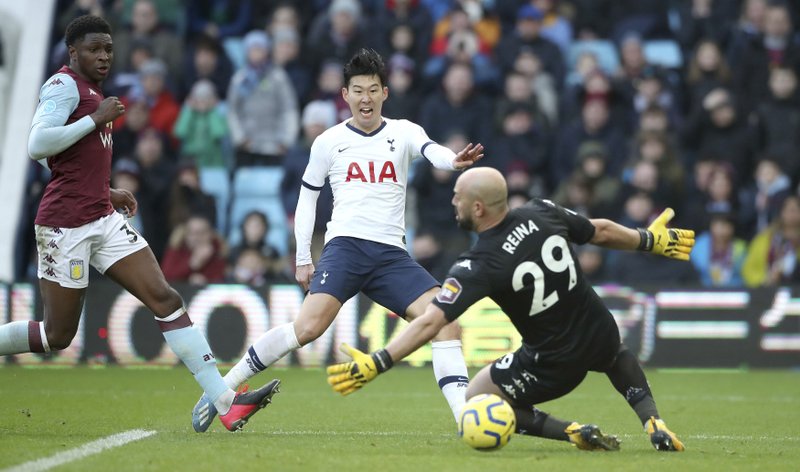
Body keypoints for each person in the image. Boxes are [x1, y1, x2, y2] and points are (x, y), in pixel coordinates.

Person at [0, 15, 278, 432]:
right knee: (57, 335)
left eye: (109, 49)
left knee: (165, 299)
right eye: (94, 49)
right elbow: (37, 144)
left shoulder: (92, 92)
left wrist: (102, 189)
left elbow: (60, 158)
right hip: (65, 226)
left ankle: (224, 402)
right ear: (73, 52)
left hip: (101, 216)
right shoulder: (62, 86)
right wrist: (96, 120)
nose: (104, 56)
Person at [191, 48, 485, 432]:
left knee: (447, 323)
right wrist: (302, 256)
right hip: (345, 248)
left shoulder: (404, 132)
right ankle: (221, 390)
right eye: (358, 90)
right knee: (307, 329)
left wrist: (454, 161)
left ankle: (466, 419)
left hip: (391, 257)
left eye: (373, 90)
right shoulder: (328, 141)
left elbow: (434, 153)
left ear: (384, 94)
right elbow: (307, 199)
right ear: (345, 95)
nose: (366, 98)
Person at [326, 167, 692, 452]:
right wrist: (649, 239)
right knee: (614, 353)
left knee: (477, 396)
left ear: (478, 208)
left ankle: (571, 432)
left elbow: (432, 320)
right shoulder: (543, 210)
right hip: (599, 330)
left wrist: (379, 361)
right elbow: (602, 230)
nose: (453, 203)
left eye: (457, 198)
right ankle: (653, 423)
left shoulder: (477, 265)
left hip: (553, 363)